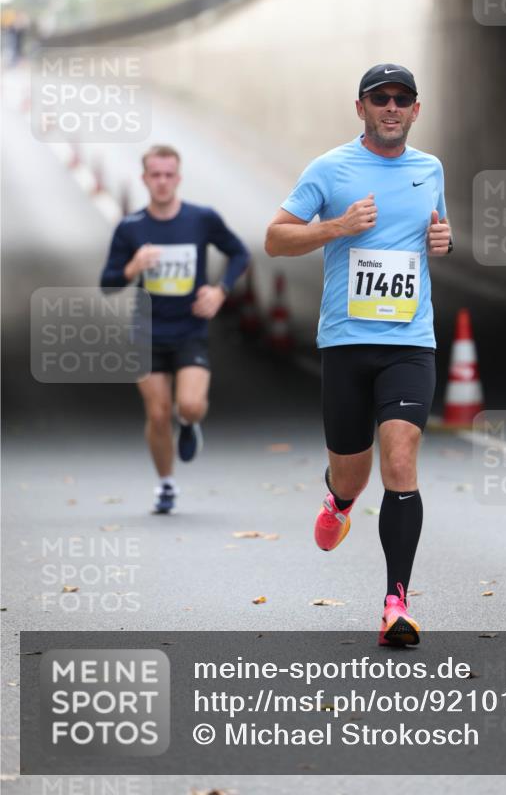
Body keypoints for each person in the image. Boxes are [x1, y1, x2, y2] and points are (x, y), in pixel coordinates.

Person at [265, 63, 452, 646]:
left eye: (401, 98)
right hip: (347, 342)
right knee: (354, 471)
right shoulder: (330, 168)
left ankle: (396, 603)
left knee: (401, 459)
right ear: (361, 108)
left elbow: (434, 231)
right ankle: (340, 499)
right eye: (380, 98)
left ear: (416, 109)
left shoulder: (429, 169)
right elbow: (275, 238)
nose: (391, 107)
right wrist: (337, 227)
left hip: (410, 343)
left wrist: (443, 241)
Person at [101, 145, 250, 514]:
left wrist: (220, 290)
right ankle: (166, 484)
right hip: (147, 333)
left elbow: (240, 253)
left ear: (178, 178)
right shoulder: (131, 227)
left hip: (189, 330)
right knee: (157, 413)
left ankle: (188, 423)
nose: (162, 182)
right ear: (144, 179)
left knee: (191, 405)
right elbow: (108, 283)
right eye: (156, 175)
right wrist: (134, 266)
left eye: (169, 175)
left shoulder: (201, 219)